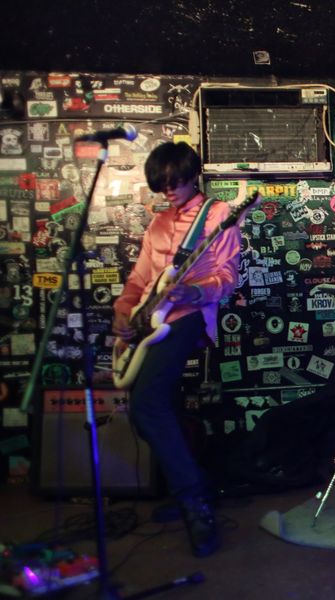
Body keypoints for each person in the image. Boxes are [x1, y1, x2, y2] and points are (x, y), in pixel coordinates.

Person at [112, 142, 240, 557]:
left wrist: (194, 291)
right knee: (147, 409)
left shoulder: (218, 215)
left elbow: (228, 276)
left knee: (148, 404)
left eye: (175, 183)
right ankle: (197, 484)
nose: (168, 192)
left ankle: (195, 504)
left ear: (192, 175)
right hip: (148, 323)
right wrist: (124, 311)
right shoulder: (157, 223)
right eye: (161, 185)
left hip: (188, 316)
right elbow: (139, 279)